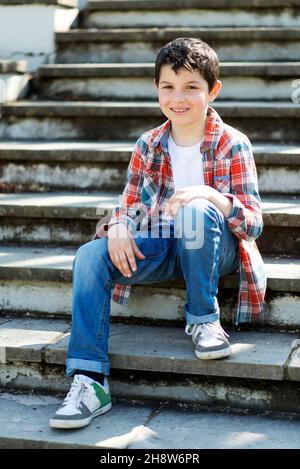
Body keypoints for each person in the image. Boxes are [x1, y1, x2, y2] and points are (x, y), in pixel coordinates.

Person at [49, 37, 266, 429]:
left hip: (217, 249)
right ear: (156, 89)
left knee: (196, 211)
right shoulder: (149, 144)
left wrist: (209, 195)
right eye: (168, 86)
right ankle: (89, 380)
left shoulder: (232, 144)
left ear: (212, 90)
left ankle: (202, 318)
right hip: (164, 247)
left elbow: (252, 222)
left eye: (191, 87)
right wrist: (116, 224)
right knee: (89, 255)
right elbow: (130, 205)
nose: (177, 97)